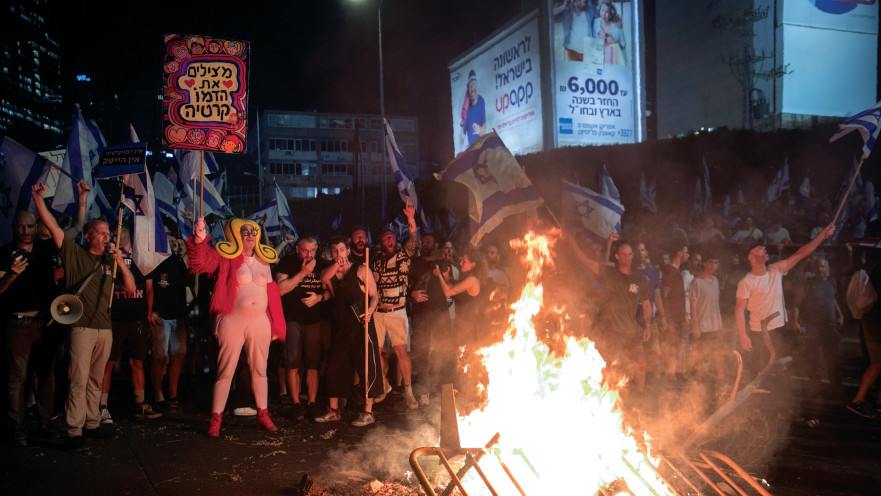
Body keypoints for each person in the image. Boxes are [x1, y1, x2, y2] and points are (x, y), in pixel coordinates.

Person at [31, 182, 136, 452]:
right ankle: (73, 430)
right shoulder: (73, 253)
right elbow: (53, 227)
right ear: (88, 236)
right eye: (100, 233)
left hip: (104, 327)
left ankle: (91, 424)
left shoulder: (110, 261)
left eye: (107, 233)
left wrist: (121, 262)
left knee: (95, 379)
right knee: (78, 379)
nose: (106, 237)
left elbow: (132, 288)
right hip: (81, 327)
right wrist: (38, 199)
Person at [187, 217, 282, 437]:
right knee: (225, 371)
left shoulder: (264, 260)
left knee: (260, 370)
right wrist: (200, 236)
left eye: (253, 232)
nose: (249, 235)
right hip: (232, 320)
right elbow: (201, 262)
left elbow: (271, 294)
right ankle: (215, 420)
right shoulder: (226, 258)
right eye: (244, 231)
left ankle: (263, 415)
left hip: (259, 321)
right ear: (235, 235)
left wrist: (276, 324)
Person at [735, 224, 835, 379]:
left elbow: (801, 254)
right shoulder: (747, 282)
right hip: (759, 331)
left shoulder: (775, 270)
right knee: (758, 366)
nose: (763, 247)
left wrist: (821, 236)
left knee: (779, 365)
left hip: (778, 328)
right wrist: (743, 335)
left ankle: (774, 392)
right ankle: (754, 392)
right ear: (751, 257)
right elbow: (739, 309)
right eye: (758, 249)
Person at [0, 210, 65, 446]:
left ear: (35, 227)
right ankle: (18, 428)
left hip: (45, 322)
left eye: (28, 226)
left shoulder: (44, 250)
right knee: (18, 377)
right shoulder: (4, 253)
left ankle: (46, 421)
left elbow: (71, 231)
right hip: (17, 323)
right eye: (20, 226)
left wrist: (80, 202)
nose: (24, 231)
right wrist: (11, 275)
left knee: (46, 374)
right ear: (13, 227)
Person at [316, 237, 384, 426]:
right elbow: (323, 278)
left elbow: (375, 295)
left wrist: (370, 312)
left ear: (348, 251)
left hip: (361, 325)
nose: (338, 254)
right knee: (334, 367)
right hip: (341, 326)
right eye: (334, 251)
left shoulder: (362, 269)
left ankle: (368, 412)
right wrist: (336, 266)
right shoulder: (329, 273)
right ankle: (334, 410)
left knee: (366, 367)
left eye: (341, 250)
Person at [101, 223, 160, 424]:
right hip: (114, 317)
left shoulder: (141, 259)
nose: (114, 237)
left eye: (118, 233)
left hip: (137, 317)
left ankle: (140, 403)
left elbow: (150, 288)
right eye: (112, 234)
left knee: (137, 362)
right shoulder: (108, 257)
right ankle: (101, 406)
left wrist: (149, 312)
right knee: (107, 363)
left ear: (128, 235)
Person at [371, 202, 420, 408]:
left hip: (398, 312)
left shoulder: (403, 257)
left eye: (391, 237)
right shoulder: (375, 262)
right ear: (381, 244)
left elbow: (413, 241)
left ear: (395, 240)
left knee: (401, 352)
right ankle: (382, 385)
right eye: (385, 239)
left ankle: (408, 390)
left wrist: (410, 219)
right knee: (378, 353)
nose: (389, 240)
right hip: (378, 313)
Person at [275, 236, 328, 421]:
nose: (309, 254)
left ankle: (312, 403)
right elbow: (280, 289)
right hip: (292, 319)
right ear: (297, 248)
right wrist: (303, 273)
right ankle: (296, 404)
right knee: (292, 362)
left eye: (312, 250)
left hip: (314, 320)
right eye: (305, 250)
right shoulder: (287, 262)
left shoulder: (321, 264)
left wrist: (320, 298)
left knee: (313, 363)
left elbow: (331, 290)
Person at [409, 233, 454, 406]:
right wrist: (411, 294)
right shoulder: (415, 263)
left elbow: (451, 285)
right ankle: (424, 392)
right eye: (423, 241)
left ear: (436, 244)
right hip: (421, 313)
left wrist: (444, 275)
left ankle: (448, 389)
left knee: (446, 350)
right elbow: (405, 285)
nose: (424, 243)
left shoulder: (443, 263)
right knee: (422, 352)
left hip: (441, 311)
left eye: (428, 241)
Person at [146, 248, 190, 412]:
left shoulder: (177, 261)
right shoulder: (154, 260)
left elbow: (187, 280)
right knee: (160, 357)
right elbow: (149, 288)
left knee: (178, 356)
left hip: (178, 315)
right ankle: (158, 395)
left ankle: (173, 394)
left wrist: (192, 261)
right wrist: (150, 311)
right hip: (160, 315)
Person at [794, 257, 843, 389]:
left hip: (830, 326)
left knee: (833, 358)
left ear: (828, 267)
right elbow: (797, 304)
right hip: (813, 326)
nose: (820, 269)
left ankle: (835, 387)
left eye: (823, 266)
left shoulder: (832, 281)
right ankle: (814, 386)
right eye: (818, 267)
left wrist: (840, 314)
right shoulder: (808, 284)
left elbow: (832, 299)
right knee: (813, 357)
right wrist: (796, 322)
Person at [845, 250, 881, 418]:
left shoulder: (871, 267)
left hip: (869, 320)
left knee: (876, 363)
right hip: (876, 321)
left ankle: (877, 402)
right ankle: (858, 401)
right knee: (876, 363)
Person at [688, 253, 731, 393]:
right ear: (705, 264)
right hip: (702, 327)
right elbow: (693, 305)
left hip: (716, 326)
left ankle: (722, 383)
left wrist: (720, 323)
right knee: (700, 357)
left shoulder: (716, 281)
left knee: (719, 354)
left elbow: (715, 303)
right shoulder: (696, 282)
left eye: (716, 262)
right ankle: (699, 385)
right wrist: (695, 326)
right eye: (711, 262)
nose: (713, 265)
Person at [661, 243, 690, 383]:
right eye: (686, 252)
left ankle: (674, 376)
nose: (688, 255)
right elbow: (664, 296)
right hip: (673, 318)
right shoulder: (670, 271)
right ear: (679, 253)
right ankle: (670, 377)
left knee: (677, 347)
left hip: (679, 318)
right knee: (671, 348)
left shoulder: (676, 271)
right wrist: (669, 319)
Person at [594, 0, 627, 65]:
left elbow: (623, 43)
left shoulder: (616, 26)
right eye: (602, 10)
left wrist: (614, 43)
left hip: (614, 60)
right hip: (599, 60)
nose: (603, 14)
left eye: (607, 12)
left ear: (610, 14)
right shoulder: (595, 23)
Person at [459, 70, 487, 147]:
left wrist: (479, 130)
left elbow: (484, 130)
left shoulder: (481, 100)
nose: (472, 88)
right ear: (468, 88)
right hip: (472, 149)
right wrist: (461, 124)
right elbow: (462, 140)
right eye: (470, 86)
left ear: (476, 84)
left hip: (482, 147)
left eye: (473, 84)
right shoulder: (466, 109)